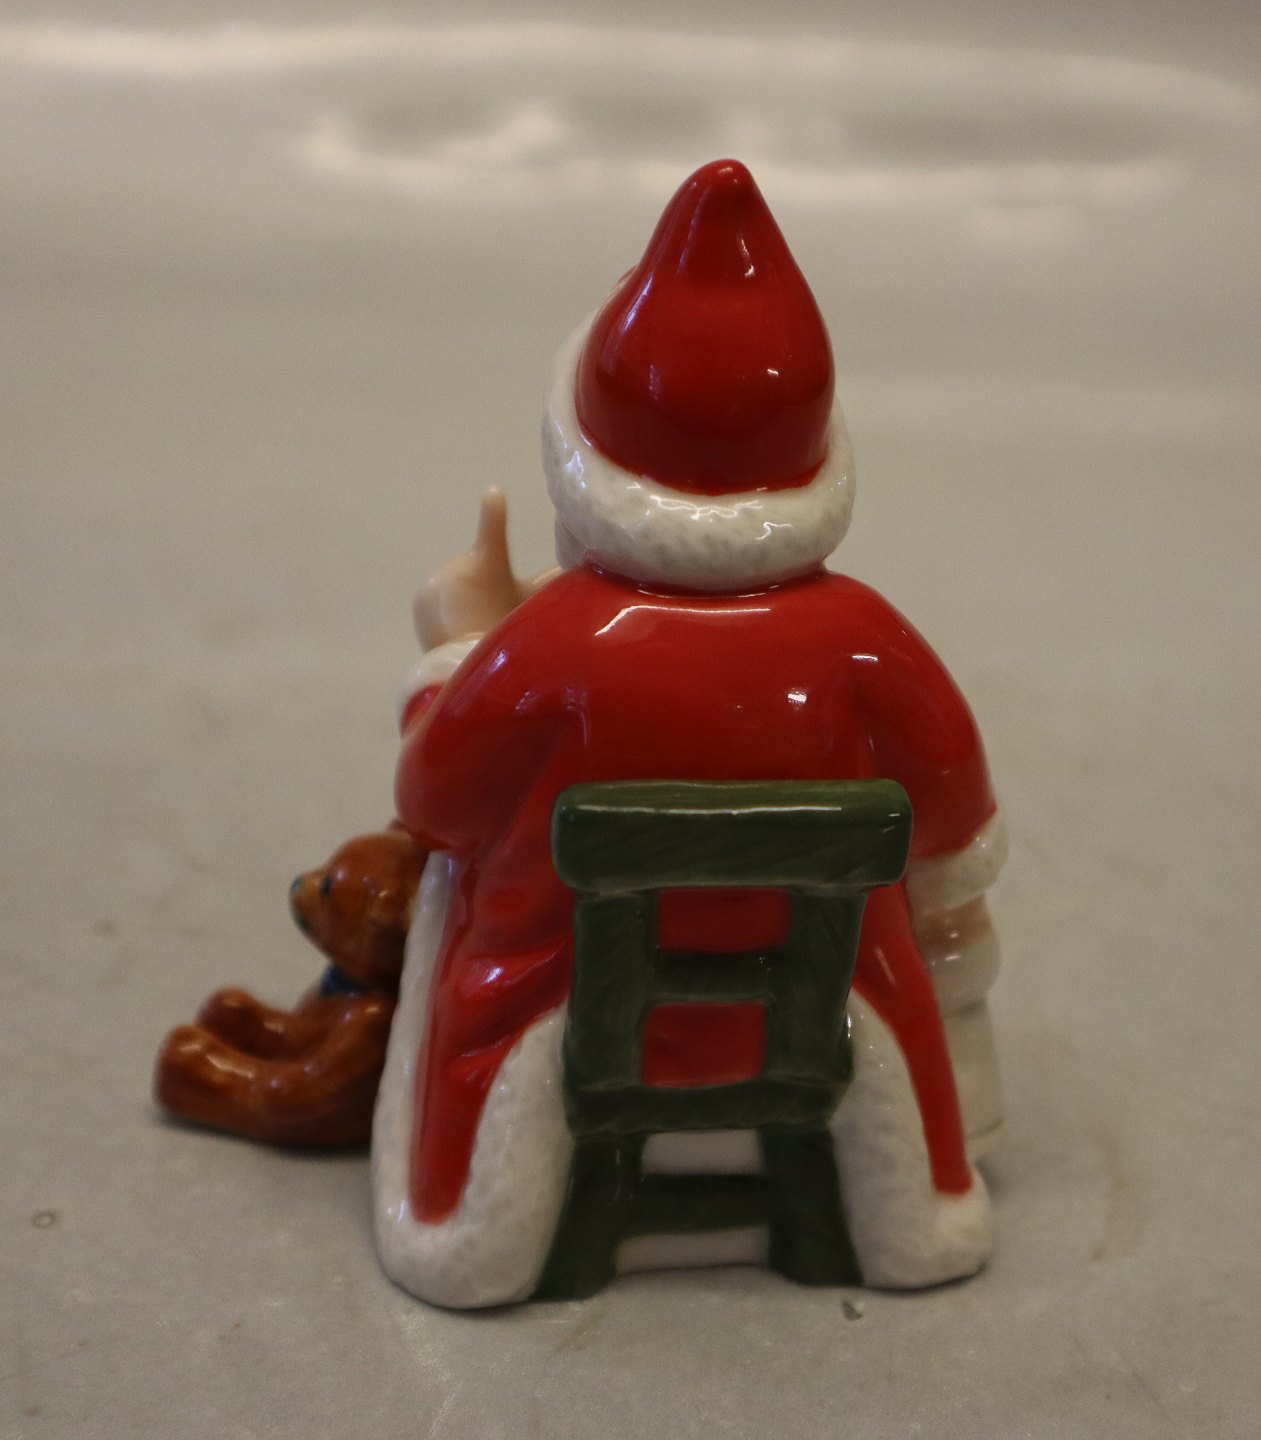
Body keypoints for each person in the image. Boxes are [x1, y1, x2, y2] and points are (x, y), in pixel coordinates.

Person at [373, 160, 1006, 1309]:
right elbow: (956, 837)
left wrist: (454, 653)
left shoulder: (547, 649)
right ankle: (881, 1208)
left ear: (585, 477)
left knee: (457, 918)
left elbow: (432, 811)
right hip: (825, 1022)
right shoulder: (869, 643)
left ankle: (489, 1228)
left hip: (564, 1022)